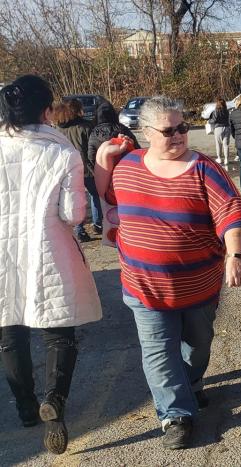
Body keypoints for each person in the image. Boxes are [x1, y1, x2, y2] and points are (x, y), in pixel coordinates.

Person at [94, 96, 241, 450]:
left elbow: (231, 213)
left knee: (197, 347)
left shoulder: (203, 168)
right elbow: (106, 197)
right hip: (143, 285)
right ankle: (175, 416)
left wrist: (236, 255)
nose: (180, 135)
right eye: (170, 131)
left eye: (183, 127)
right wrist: (102, 161)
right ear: (147, 133)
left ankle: (192, 384)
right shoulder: (128, 166)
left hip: (198, 285)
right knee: (158, 352)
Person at [0, 75, 103, 455]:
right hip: (48, 251)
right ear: (46, 111)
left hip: (3, 255)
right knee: (58, 332)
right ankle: (54, 401)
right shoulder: (63, 154)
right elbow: (74, 213)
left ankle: (26, 406)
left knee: (9, 330)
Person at [55, 99, 98, 242]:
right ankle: (98, 224)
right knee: (95, 196)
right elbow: (92, 149)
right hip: (87, 168)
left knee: (75, 199)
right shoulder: (86, 126)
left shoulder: (58, 130)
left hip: (67, 170)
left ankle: (79, 230)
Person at [87, 100, 140, 173]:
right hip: (125, 171)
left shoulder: (94, 133)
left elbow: (91, 157)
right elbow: (137, 150)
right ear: (113, 114)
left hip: (103, 172)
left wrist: (97, 173)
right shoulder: (123, 129)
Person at [208, 98, 231, 168]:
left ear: (217, 104)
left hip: (218, 128)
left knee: (218, 144)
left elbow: (214, 120)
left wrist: (209, 121)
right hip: (227, 127)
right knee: (226, 144)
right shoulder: (227, 111)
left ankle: (219, 158)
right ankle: (226, 159)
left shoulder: (216, 111)